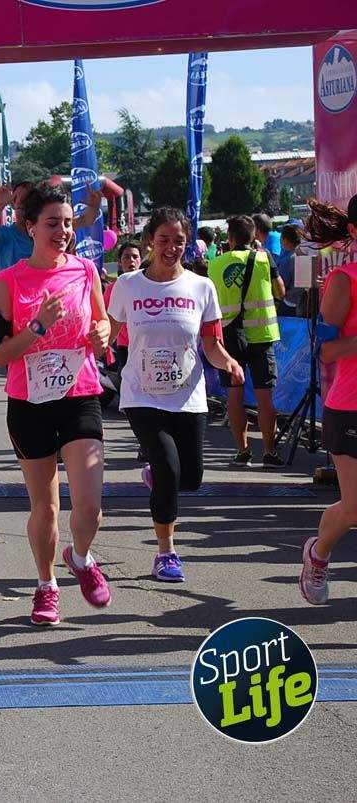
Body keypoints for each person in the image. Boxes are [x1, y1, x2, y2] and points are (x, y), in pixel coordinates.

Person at [0, 184, 112, 626]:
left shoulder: (85, 271)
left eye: (66, 223)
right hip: (30, 402)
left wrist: (103, 334)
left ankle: (80, 557)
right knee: (46, 507)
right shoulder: (8, 281)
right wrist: (38, 326)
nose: (62, 231)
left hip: (79, 395)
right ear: (30, 227)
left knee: (90, 505)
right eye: (52, 223)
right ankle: (46, 585)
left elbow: (101, 321)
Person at [107, 208, 244, 583]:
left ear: (188, 244)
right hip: (141, 393)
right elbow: (108, 328)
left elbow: (212, 343)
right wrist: (93, 343)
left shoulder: (202, 287)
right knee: (169, 470)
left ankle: (157, 477)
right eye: (163, 240)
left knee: (192, 478)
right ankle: (166, 553)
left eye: (178, 241)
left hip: (188, 394)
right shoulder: (129, 285)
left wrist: (227, 361)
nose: (170, 248)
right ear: (150, 240)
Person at [300, 195, 357, 604]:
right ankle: (318, 554)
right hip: (350, 406)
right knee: (355, 508)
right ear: (353, 231)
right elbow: (326, 351)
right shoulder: (344, 280)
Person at [207, 215, 285, 468]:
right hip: (261, 337)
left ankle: (243, 452)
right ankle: (270, 453)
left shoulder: (215, 264)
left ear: (230, 238)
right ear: (253, 237)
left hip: (230, 338)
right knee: (265, 398)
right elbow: (280, 291)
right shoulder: (264, 259)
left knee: (234, 397)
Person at [0, 181, 102, 270]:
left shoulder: (53, 226)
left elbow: (85, 220)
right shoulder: (6, 234)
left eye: (30, 206)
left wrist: (93, 205)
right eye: (21, 207)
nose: (26, 212)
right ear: (13, 205)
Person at [104, 240, 143, 371]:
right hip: (124, 345)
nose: (131, 260)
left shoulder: (149, 285)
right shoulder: (112, 288)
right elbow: (105, 316)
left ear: (141, 260)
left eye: (135, 257)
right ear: (120, 262)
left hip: (146, 343)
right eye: (126, 257)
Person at [276, 224, 304, 317]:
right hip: (303, 303)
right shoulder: (304, 254)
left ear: (285, 240)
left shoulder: (289, 259)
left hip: (290, 304)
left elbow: (282, 285)